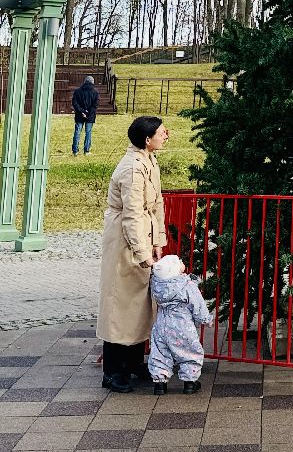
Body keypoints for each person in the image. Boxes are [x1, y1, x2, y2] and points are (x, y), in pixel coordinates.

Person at [97, 115, 169, 393]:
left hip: (142, 233)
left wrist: (158, 241)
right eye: (162, 132)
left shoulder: (149, 161)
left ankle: (135, 361)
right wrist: (142, 251)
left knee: (140, 303)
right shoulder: (132, 168)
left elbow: (157, 204)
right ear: (147, 139)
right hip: (125, 240)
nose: (166, 136)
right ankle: (113, 370)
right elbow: (132, 214)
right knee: (120, 304)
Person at [147, 253, 212, 395]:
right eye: (179, 262)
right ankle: (190, 383)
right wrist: (206, 319)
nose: (182, 262)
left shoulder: (157, 284)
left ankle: (160, 384)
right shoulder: (186, 285)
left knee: (159, 353)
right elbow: (197, 303)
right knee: (189, 351)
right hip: (182, 325)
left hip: (161, 325)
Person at [72, 75, 99, 155]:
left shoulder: (77, 91)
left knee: (77, 132)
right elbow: (95, 104)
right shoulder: (95, 92)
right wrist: (88, 113)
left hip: (79, 115)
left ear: (84, 82)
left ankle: (75, 151)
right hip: (90, 116)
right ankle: (86, 150)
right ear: (92, 82)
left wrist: (82, 112)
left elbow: (74, 103)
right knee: (88, 132)